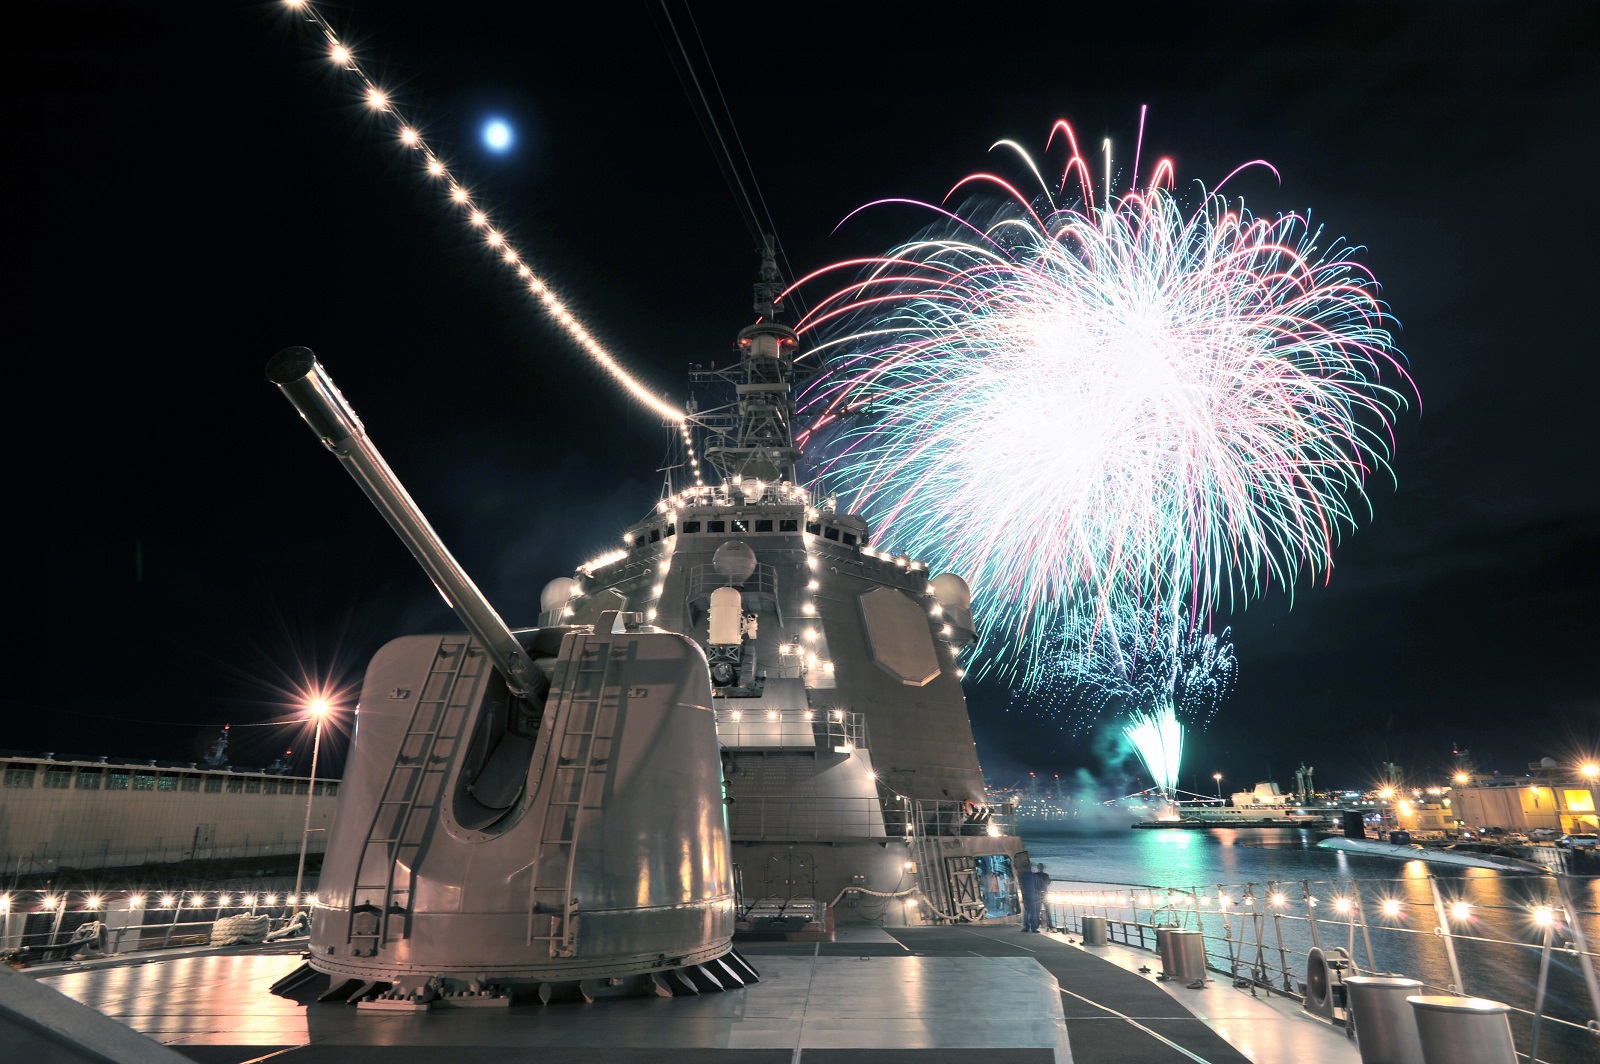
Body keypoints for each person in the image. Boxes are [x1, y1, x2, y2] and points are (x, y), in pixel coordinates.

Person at [1018, 862, 1041, 931]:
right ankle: (1034, 927)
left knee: (1026, 911)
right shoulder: (1034, 876)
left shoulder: (1021, 875)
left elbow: (1020, 885)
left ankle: (1026, 926)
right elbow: (1037, 886)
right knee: (1033, 912)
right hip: (1033, 895)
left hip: (1025, 895)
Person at [1034, 863, 1052, 932]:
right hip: (1043, 893)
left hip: (1038, 893)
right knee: (1046, 910)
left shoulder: (1035, 875)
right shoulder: (1045, 875)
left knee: (1037, 910)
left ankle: (1036, 925)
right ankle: (1050, 925)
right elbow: (1048, 882)